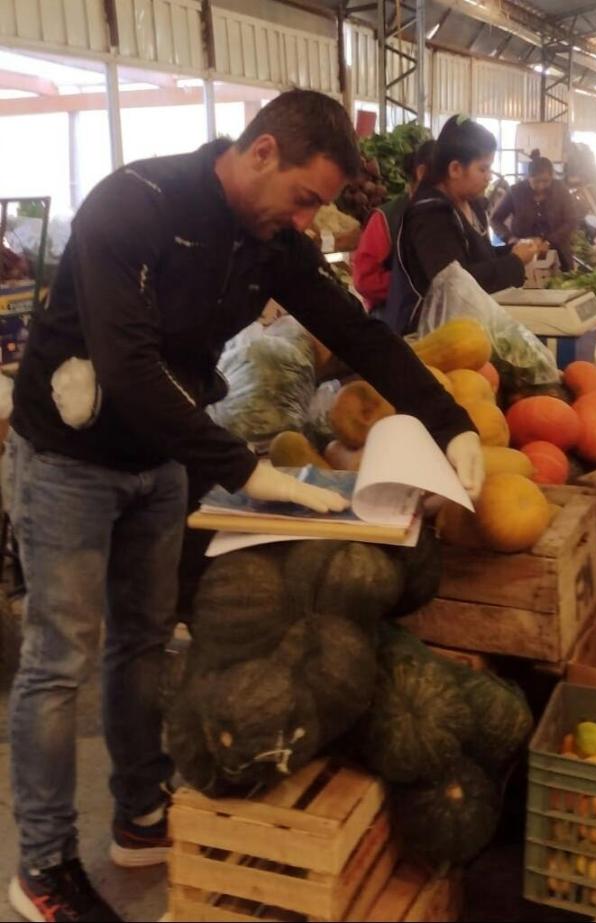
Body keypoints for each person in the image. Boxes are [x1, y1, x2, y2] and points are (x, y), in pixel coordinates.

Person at [4, 90, 485, 923]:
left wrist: (450, 420)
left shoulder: (267, 239)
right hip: (69, 460)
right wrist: (241, 468)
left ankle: (140, 812)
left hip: (159, 460)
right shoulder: (134, 203)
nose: (308, 219)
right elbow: (125, 361)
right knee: (59, 660)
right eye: (305, 197)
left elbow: (359, 331)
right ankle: (43, 864)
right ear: (261, 152)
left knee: (145, 642)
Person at [386, 115, 539, 334]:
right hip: (426, 339)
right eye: (483, 169)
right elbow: (456, 286)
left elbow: (477, 257)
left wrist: (512, 251)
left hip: (466, 331)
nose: (488, 178)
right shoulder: (430, 216)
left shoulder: (471, 204)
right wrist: (514, 262)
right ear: (455, 169)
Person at [352, 140, 435, 314]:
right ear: (422, 173)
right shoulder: (386, 218)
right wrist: (413, 284)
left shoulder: (446, 214)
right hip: (393, 320)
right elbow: (364, 280)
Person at [490, 150, 579, 271]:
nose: (541, 186)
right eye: (536, 181)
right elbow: (495, 219)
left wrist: (548, 242)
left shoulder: (561, 190)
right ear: (528, 177)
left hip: (559, 253)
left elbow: (571, 221)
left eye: (546, 181)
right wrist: (509, 238)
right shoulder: (516, 192)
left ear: (552, 176)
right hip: (524, 255)